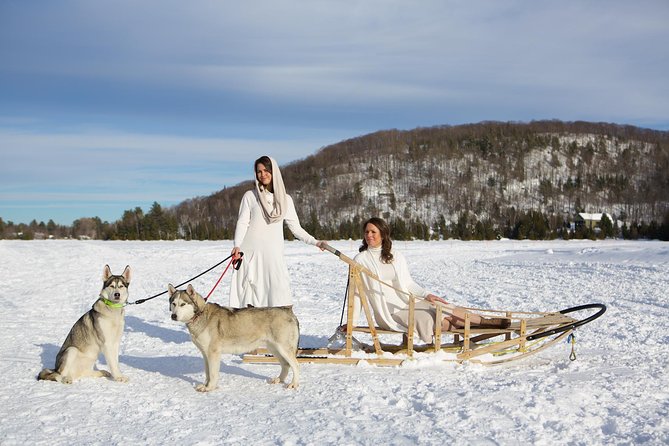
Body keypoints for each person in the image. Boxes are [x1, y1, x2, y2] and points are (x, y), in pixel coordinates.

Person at [349, 217, 509, 344]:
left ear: (382, 234)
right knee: (435, 321)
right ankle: (477, 324)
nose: (369, 235)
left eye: (373, 232)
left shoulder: (395, 255)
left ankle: (486, 322)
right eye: (367, 232)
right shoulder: (361, 260)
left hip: (410, 302)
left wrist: (426, 295)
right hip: (392, 313)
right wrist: (352, 323)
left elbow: (408, 283)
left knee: (444, 308)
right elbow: (356, 294)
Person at [229, 156, 325, 308]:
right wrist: (237, 246)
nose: (263, 174)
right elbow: (242, 223)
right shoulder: (250, 196)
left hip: (273, 256)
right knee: (249, 304)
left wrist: (316, 242)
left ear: (274, 172)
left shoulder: (285, 200)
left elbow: (296, 228)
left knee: (279, 300)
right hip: (250, 255)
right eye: (259, 171)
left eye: (266, 170)